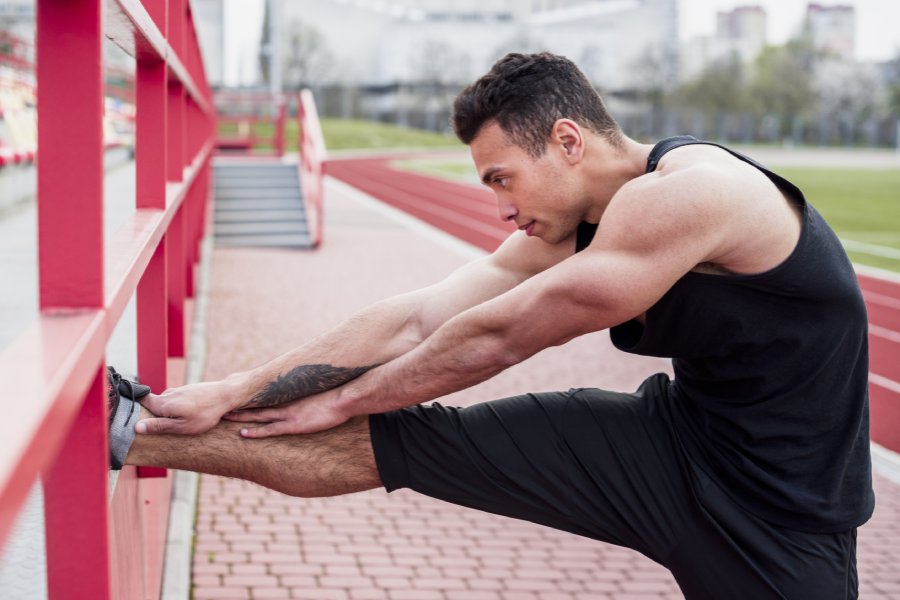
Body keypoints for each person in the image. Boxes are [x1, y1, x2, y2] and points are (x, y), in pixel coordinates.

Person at [110, 52, 873, 599]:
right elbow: (418, 318)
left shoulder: (693, 194)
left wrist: (343, 397)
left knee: (355, 412)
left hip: (786, 513)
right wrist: (238, 386)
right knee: (395, 441)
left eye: (503, 178)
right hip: (673, 445)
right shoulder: (571, 224)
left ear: (568, 141)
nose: (502, 208)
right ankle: (121, 429)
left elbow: (502, 336)